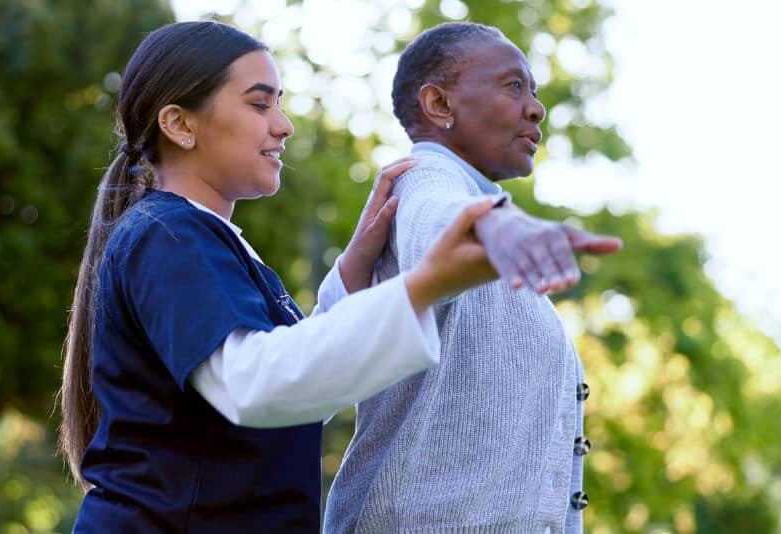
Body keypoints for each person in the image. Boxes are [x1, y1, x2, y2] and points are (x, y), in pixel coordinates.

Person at [58, 21, 509, 533]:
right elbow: (255, 386)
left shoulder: (202, 239)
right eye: (259, 103)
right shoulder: (168, 235)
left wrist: (353, 272)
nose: (284, 125)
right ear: (180, 124)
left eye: (280, 103)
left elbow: (288, 396)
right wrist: (428, 283)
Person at [324, 22, 623, 534]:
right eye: (513, 85)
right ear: (440, 105)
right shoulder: (420, 179)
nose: (536, 108)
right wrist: (491, 221)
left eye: (534, 90)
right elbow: (435, 224)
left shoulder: (478, 214)